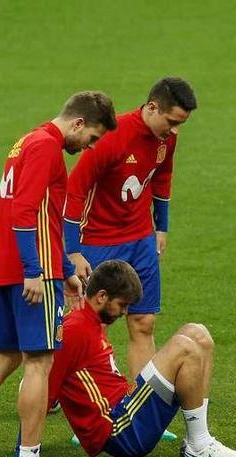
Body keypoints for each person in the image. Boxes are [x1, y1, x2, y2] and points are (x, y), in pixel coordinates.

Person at [0, 91, 118, 457]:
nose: (89, 148)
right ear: (78, 124)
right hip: (30, 274)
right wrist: (36, 270)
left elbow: (39, 215)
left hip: (7, 268)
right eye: (92, 138)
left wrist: (64, 269)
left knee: (5, 357)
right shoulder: (47, 148)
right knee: (40, 363)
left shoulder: (25, 142)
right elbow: (24, 211)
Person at [46, 260, 236, 457]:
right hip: (117, 430)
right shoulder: (74, 329)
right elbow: (46, 387)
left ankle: (197, 438)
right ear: (102, 296)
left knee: (198, 334)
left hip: (125, 408)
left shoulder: (88, 321)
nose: (125, 312)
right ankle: (199, 447)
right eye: (122, 305)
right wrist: (27, 452)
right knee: (184, 347)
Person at [64, 77, 197, 381]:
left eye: (181, 124)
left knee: (144, 321)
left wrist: (161, 227)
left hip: (141, 239)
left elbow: (162, 177)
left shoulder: (167, 138)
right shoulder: (112, 137)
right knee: (90, 326)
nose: (174, 131)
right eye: (172, 121)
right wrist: (72, 250)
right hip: (98, 241)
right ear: (152, 107)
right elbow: (74, 190)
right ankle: (58, 385)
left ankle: (140, 406)